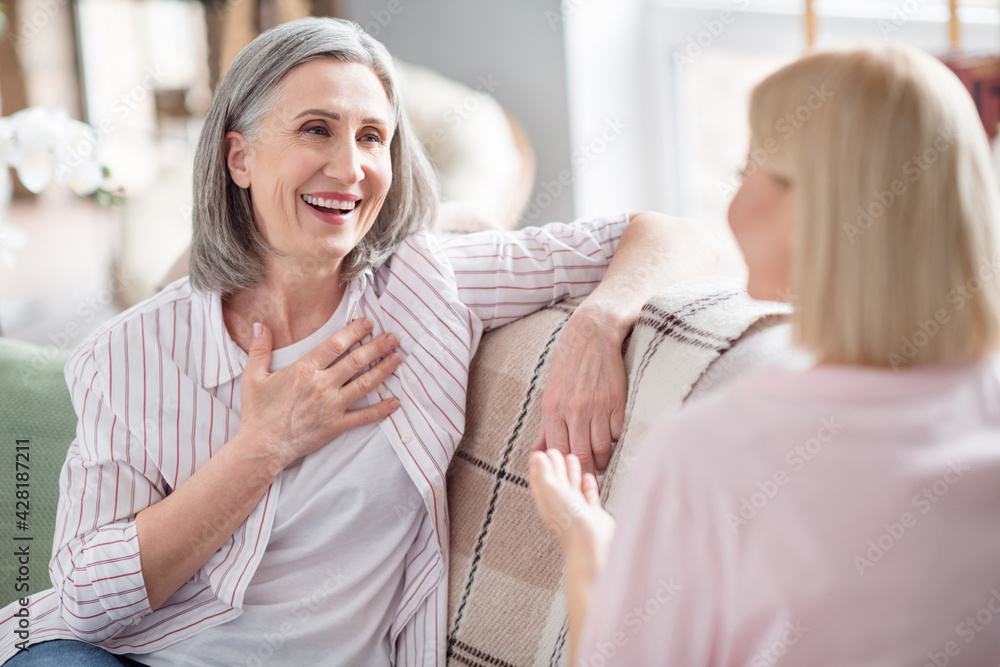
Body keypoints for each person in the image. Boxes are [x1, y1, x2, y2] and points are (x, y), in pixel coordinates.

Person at [0, 17, 718, 667]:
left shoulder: (428, 285)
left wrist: (600, 320)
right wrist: (263, 447)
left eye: (372, 135)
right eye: (317, 128)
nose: (349, 169)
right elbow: (89, 598)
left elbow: (666, 235)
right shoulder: (129, 353)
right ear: (239, 158)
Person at [530, 43, 1000, 666]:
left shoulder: (709, 459)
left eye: (746, 168)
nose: (733, 202)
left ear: (815, 209)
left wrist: (586, 544)